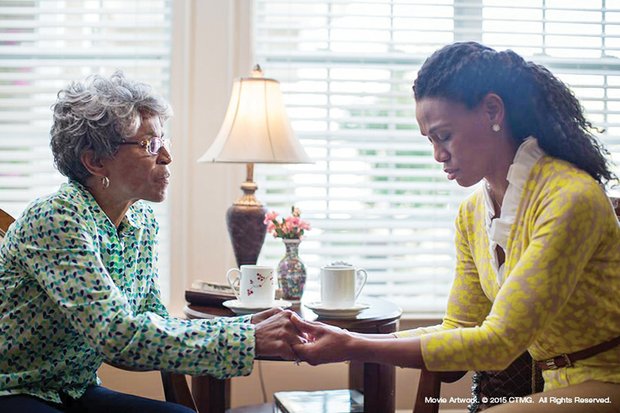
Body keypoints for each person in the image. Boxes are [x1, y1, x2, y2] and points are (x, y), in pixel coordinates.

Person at [291, 41, 620, 412]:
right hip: (551, 386)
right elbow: (459, 327)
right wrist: (347, 337)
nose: (437, 154)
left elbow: (499, 343)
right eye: (430, 140)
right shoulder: (471, 214)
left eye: (444, 135)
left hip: (607, 380)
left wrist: (353, 346)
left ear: (492, 110)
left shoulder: (569, 197)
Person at [0, 72, 303, 413]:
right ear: (95, 160)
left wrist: (244, 325)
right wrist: (245, 340)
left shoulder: (141, 220)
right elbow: (118, 336)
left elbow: (150, 315)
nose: (167, 156)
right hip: (14, 388)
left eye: (163, 140)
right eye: (149, 145)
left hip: (74, 389)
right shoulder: (56, 219)